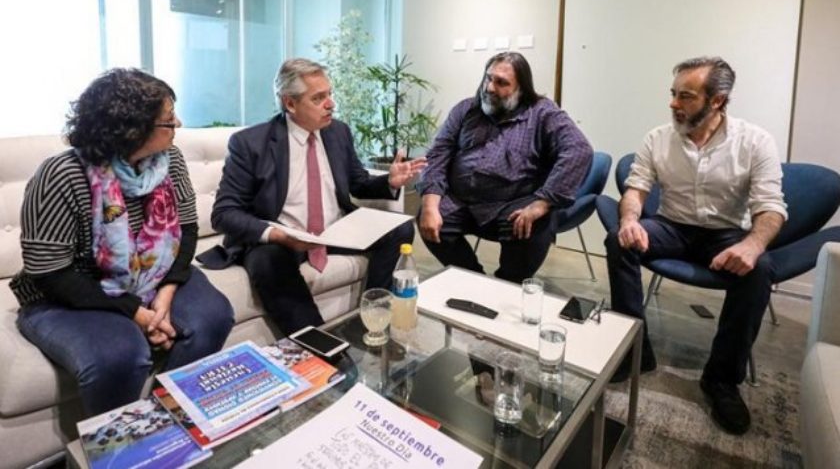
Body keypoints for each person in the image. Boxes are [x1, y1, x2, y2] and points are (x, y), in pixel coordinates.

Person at [12, 68, 235, 416]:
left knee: (214, 316)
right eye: (168, 119)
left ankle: (171, 418)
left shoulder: (170, 160)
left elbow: (187, 229)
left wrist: (166, 294)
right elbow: (52, 273)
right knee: (120, 355)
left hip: (154, 275)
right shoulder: (62, 174)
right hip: (70, 291)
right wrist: (138, 313)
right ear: (132, 129)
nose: (178, 123)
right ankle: (121, 441)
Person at [605, 56, 787, 435]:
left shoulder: (755, 141)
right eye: (673, 93)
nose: (673, 103)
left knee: (760, 269)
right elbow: (636, 189)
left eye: (685, 96)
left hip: (725, 232)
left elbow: (771, 207)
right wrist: (630, 221)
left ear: (716, 100)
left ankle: (722, 380)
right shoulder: (657, 138)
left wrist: (752, 246)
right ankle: (635, 351)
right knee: (619, 242)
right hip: (671, 226)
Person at [209, 58, 424, 335]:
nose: (331, 104)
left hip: (334, 231)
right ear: (290, 103)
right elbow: (224, 213)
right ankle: (321, 345)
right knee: (266, 261)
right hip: (285, 239)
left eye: (329, 94)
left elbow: (358, 183)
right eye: (318, 98)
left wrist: (389, 181)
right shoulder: (250, 143)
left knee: (401, 229)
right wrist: (278, 235)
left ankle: (369, 320)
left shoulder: (338, 132)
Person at [417, 52, 593, 283]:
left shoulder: (542, 113)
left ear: (522, 88)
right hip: (461, 201)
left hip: (512, 203)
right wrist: (430, 205)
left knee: (534, 226)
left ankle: (506, 285)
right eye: (488, 78)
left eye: (501, 83)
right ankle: (472, 279)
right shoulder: (466, 109)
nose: (490, 88)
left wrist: (542, 203)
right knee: (430, 219)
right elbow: (438, 153)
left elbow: (579, 149)